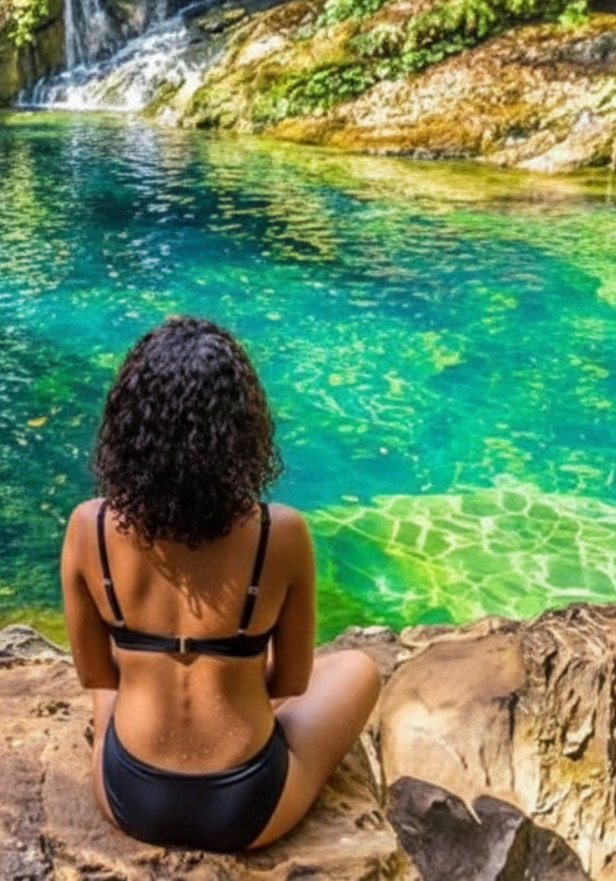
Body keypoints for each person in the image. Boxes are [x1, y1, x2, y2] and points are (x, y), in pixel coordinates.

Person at [61, 316, 381, 852]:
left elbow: (96, 673)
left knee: (111, 690)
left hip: (128, 795)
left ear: (129, 427)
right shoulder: (280, 533)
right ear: (240, 430)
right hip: (248, 805)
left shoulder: (88, 526)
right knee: (358, 667)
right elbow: (292, 683)